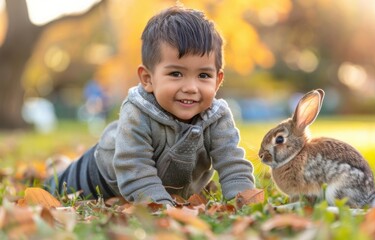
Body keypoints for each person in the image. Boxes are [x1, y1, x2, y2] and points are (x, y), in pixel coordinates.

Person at [44, 5, 255, 206]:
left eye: (203, 75)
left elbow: (232, 164)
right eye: (176, 74)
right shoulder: (138, 111)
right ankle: (58, 167)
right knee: (58, 184)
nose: (191, 87)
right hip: (100, 175)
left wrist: (245, 200)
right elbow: (135, 170)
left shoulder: (217, 117)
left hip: (167, 187)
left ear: (217, 81)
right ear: (148, 79)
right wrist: (162, 207)